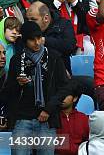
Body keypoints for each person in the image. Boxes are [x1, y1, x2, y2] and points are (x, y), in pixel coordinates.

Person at [2, 21, 69, 155]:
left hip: (47, 118)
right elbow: (6, 93)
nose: (37, 42)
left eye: (39, 38)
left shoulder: (54, 57)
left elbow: (65, 87)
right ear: (25, 40)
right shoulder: (16, 60)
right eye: (32, 40)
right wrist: (17, 84)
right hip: (22, 119)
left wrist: (48, 109)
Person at [25, 1, 76, 73]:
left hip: (60, 73)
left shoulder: (64, 24)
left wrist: (45, 41)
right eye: (28, 19)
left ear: (46, 18)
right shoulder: (27, 28)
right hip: (34, 73)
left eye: (33, 19)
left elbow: (70, 46)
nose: (29, 23)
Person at [56, 80, 89, 155]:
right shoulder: (51, 118)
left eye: (65, 95)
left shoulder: (83, 118)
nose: (62, 98)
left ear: (75, 98)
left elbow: (88, 141)